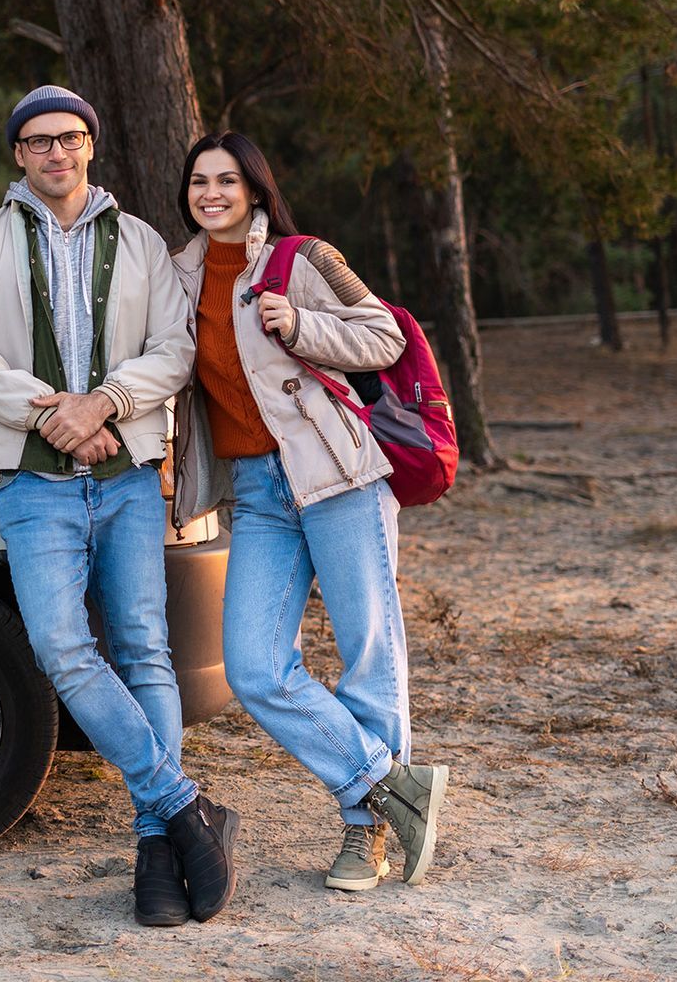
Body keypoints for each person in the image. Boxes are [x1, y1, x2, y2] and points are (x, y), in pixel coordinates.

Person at [0, 86, 240, 927]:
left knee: (145, 650)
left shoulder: (139, 242)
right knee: (63, 649)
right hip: (33, 484)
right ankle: (185, 808)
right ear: (18, 155)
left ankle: (155, 846)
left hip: (129, 478)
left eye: (69, 138)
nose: (55, 153)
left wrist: (101, 403)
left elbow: (175, 351)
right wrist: (52, 414)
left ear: (90, 146)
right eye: (37, 141)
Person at [170, 130, 449, 891]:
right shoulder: (176, 277)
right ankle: (385, 786)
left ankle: (367, 833)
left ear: (255, 190)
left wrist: (302, 327)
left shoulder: (303, 257)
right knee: (255, 667)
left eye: (228, 181)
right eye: (200, 182)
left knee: (369, 652)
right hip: (257, 493)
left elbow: (385, 334)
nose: (212, 194)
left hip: (340, 476)